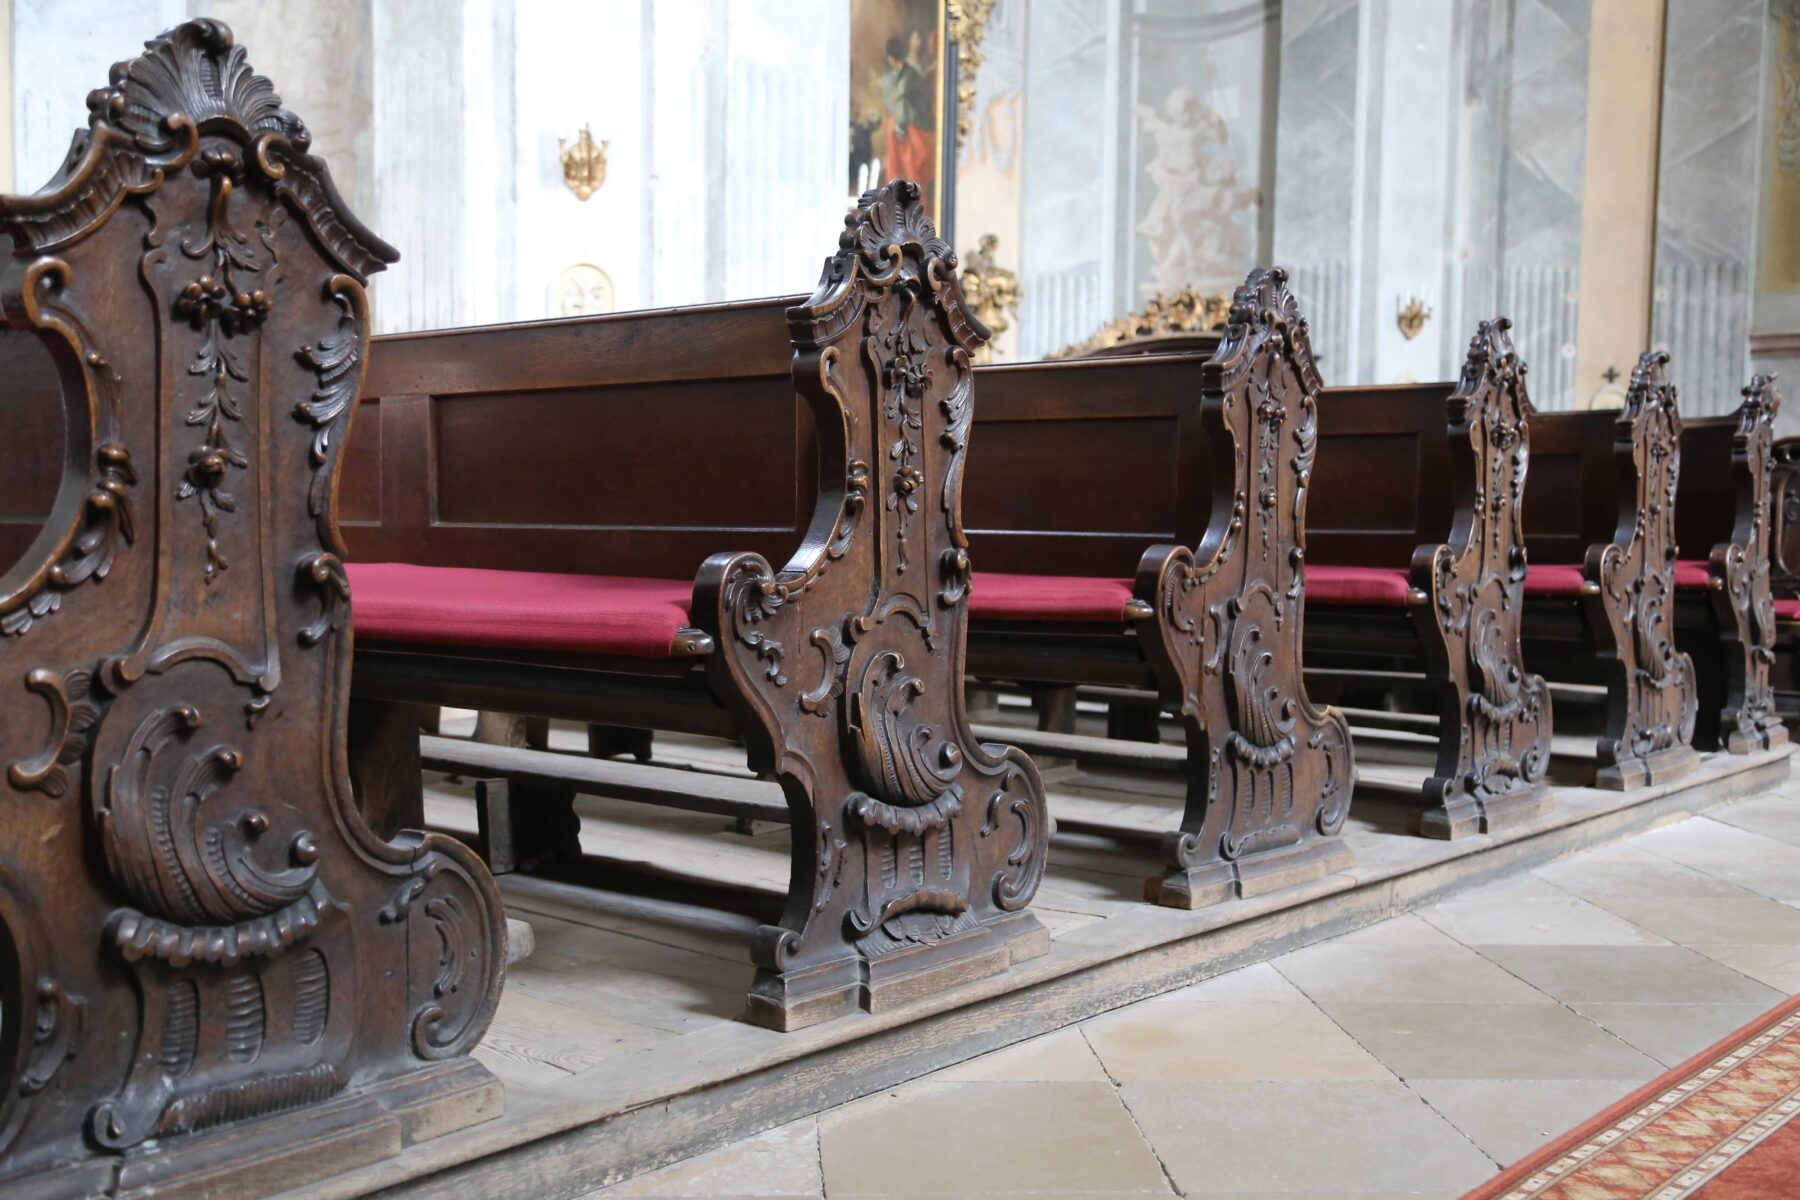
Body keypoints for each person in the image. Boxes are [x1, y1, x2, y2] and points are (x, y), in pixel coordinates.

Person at [879, 35, 935, 192]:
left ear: (891, 58)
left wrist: (900, 126)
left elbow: (904, 104)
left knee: (908, 161)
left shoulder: (907, 76)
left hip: (913, 126)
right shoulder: (906, 73)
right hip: (909, 124)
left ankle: (901, 189)